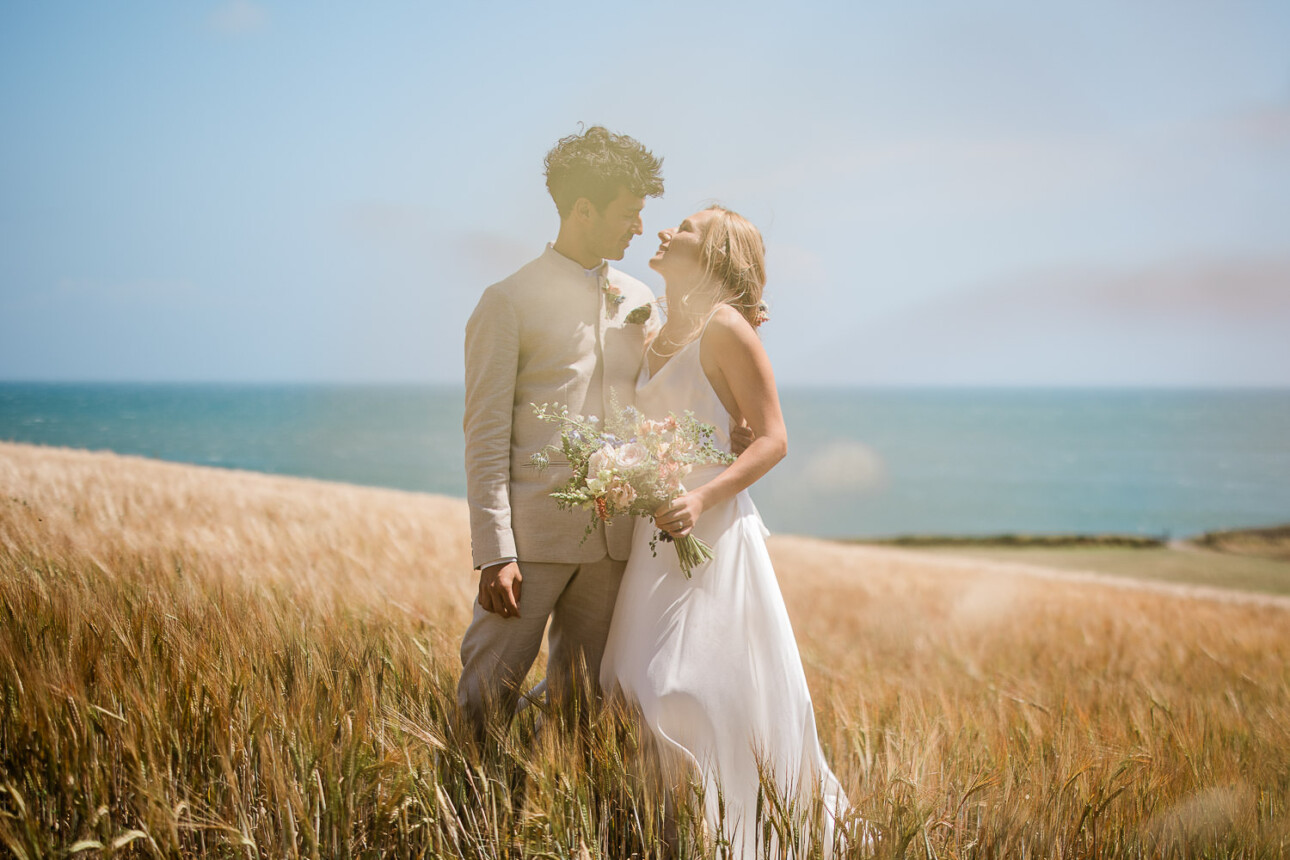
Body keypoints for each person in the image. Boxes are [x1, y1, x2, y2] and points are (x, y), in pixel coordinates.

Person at [599, 206, 850, 856]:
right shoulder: (651, 325)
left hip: (708, 538)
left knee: (690, 690)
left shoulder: (726, 328)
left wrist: (701, 494)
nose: (661, 232)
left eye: (681, 227)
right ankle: (674, 838)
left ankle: (745, 835)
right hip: (652, 544)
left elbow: (772, 439)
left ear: (711, 253)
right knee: (630, 683)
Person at [458, 126, 664, 730]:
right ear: (581, 209)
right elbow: (486, 435)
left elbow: (659, 396)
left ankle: (565, 826)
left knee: (587, 714)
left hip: (615, 544)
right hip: (530, 545)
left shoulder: (639, 296)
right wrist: (495, 552)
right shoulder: (507, 301)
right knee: (482, 702)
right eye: (628, 214)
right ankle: (468, 821)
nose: (638, 228)